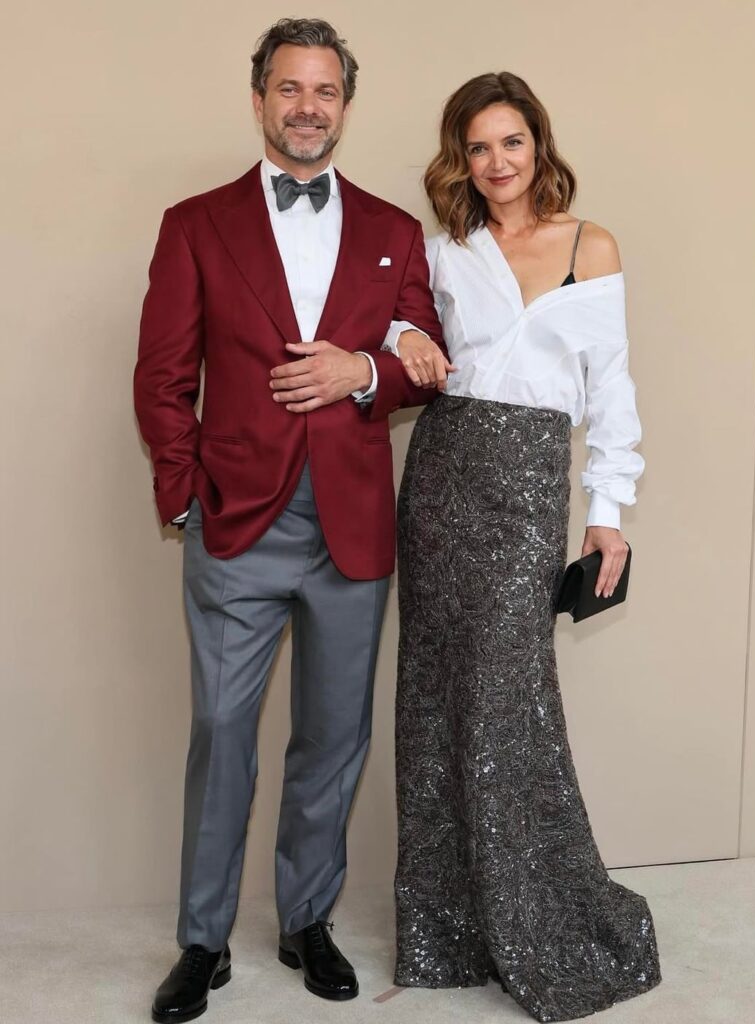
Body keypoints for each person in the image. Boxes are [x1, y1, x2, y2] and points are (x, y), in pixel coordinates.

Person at [134, 18, 448, 1023]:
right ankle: (202, 939)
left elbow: (424, 360)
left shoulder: (394, 231)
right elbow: (162, 375)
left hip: (352, 526)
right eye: (289, 88)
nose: (307, 107)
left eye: (324, 90)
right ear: (260, 97)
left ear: (344, 104)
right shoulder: (195, 223)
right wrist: (183, 494)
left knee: (332, 735)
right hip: (234, 522)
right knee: (222, 732)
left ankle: (306, 919)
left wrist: (364, 372)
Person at [391, 73, 662, 1021]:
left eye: (511, 141)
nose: (496, 162)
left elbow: (610, 388)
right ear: (459, 160)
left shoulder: (591, 245)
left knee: (507, 703)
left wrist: (606, 510)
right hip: (442, 474)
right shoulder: (443, 251)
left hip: (528, 484)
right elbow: (395, 327)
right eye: (477, 147)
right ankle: (447, 929)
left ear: (538, 145)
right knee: (435, 695)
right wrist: (401, 330)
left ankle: (541, 922)